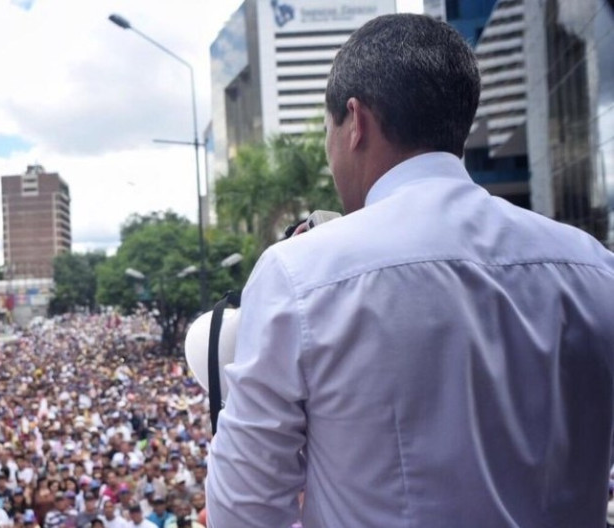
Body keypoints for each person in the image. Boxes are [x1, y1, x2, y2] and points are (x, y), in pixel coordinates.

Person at [206, 12, 614, 528]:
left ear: (355, 122)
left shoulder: (301, 274)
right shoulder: (595, 268)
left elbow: (244, 514)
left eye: (329, 131)